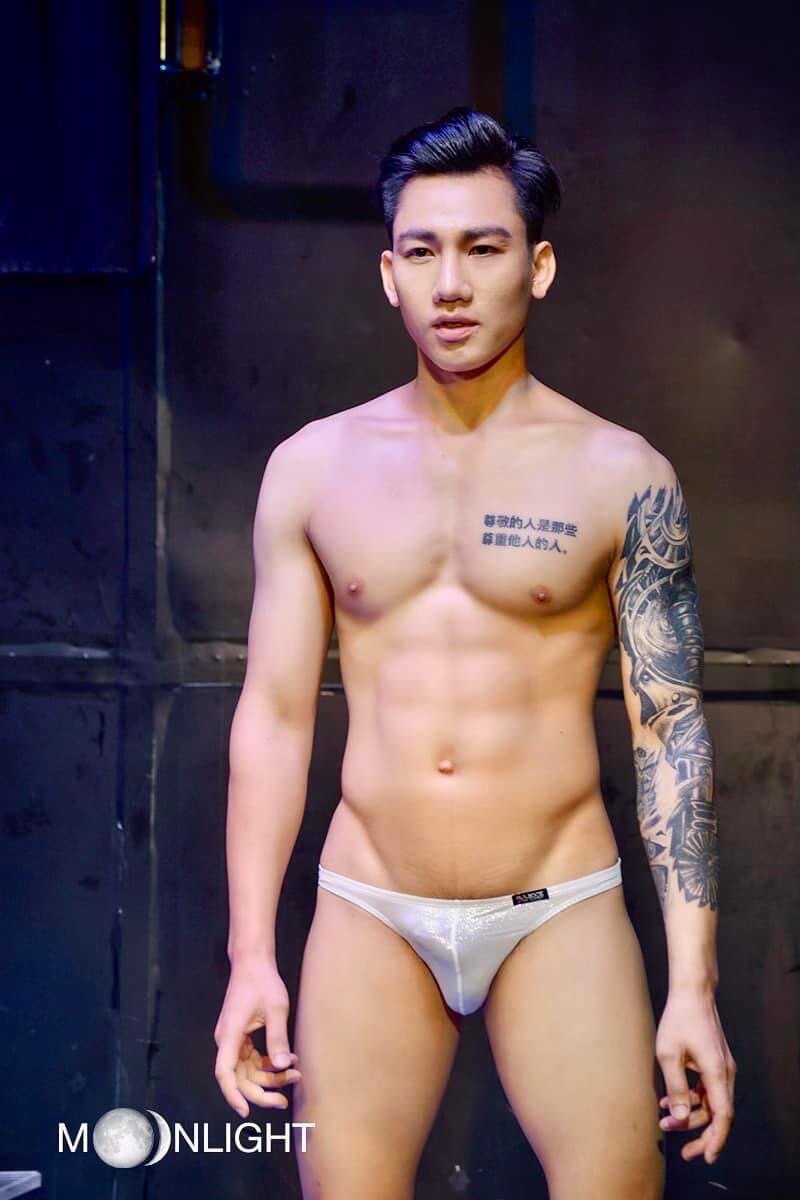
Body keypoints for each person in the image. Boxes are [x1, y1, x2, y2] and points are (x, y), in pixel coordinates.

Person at [213, 107, 735, 1199]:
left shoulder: (621, 475)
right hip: (372, 904)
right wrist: (250, 955)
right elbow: (274, 717)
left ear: (536, 266)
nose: (449, 284)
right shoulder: (312, 469)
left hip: (555, 903)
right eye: (421, 251)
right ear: (387, 274)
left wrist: (693, 985)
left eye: (483, 248)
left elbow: (669, 730)